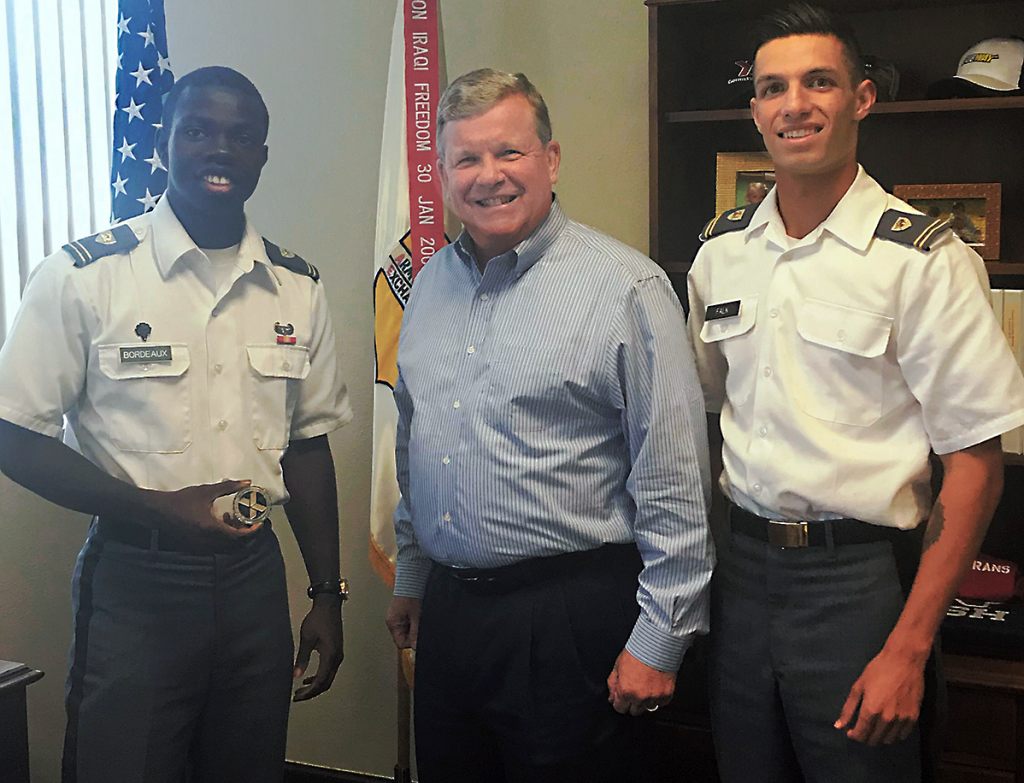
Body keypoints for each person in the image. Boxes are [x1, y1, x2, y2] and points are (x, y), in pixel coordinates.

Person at [687, 5, 1024, 782]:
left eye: (819, 83)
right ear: (755, 110)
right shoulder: (719, 252)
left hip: (860, 583)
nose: (794, 104)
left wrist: (908, 648)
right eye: (773, 88)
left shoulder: (923, 259)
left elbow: (976, 466)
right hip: (739, 575)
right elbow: (709, 421)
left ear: (862, 99)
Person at [0, 66, 352, 783]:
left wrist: (325, 593)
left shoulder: (298, 287)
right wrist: (159, 506)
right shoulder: (84, 276)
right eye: (198, 130)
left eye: (241, 137)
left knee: (248, 767)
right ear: (162, 141)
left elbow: (308, 445)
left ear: (261, 155)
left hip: (256, 579)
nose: (219, 149)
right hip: (138, 575)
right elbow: (14, 434)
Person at [384, 68, 714, 782]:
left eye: (509, 153)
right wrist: (412, 574)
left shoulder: (625, 286)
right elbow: (418, 443)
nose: (488, 176)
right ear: (442, 173)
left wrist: (661, 638)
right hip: (452, 614)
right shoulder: (431, 283)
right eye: (466, 159)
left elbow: (675, 478)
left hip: (569, 618)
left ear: (551, 159)